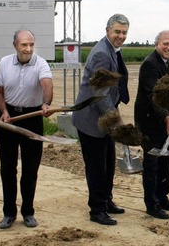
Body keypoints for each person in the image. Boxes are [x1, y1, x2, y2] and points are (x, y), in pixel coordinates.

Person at [72, 13, 130, 226]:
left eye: (124, 33)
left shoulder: (113, 50)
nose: (120, 36)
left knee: (108, 163)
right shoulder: (101, 54)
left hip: (104, 117)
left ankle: (106, 201)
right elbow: (100, 93)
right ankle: (97, 210)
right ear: (107, 31)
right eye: (117, 32)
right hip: (91, 120)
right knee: (97, 167)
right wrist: (115, 121)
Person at [0, 30, 53, 229]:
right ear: (15, 46)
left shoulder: (41, 63)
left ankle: (28, 211)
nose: (28, 49)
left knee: (30, 169)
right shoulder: (4, 63)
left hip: (33, 118)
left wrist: (46, 104)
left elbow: (47, 85)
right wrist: (3, 111)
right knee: (7, 168)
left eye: (31, 45)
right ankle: (8, 213)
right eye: (24, 45)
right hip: (8, 119)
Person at [135, 30, 169, 219]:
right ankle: (152, 204)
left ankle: (162, 196)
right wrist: (167, 119)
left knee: (166, 160)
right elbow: (154, 97)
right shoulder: (150, 64)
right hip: (151, 122)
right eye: (166, 44)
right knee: (152, 164)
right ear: (157, 44)